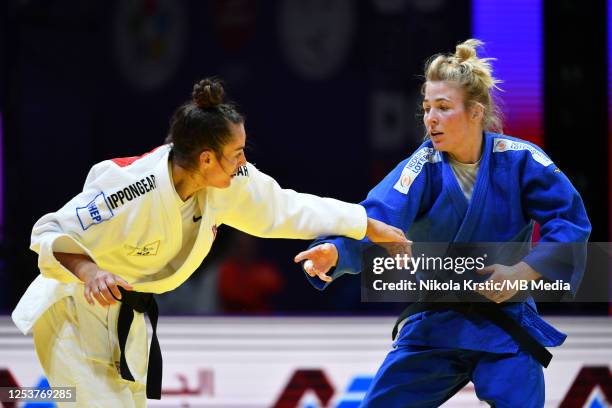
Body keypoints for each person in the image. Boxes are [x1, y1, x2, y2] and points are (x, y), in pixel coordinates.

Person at [11, 78, 407, 407]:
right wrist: (90, 270)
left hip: (120, 316)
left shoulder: (226, 182)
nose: (243, 162)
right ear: (205, 160)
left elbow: (285, 207)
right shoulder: (130, 187)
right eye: (236, 154)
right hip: (72, 312)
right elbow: (47, 232)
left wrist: (365, 225)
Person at [295, 39, 591, 407]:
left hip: (506, 323)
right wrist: (337, 251)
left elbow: (570, 223)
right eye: (426, 108)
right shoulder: (422, 166)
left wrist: (524, 273)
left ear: (475, 112)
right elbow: (381, 216)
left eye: (443, 107)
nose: (430, 119)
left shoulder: (521, 160)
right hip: (436, 323)